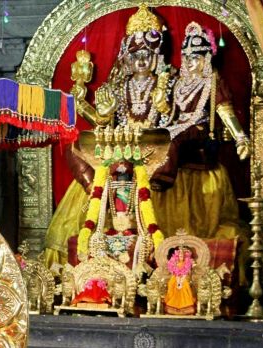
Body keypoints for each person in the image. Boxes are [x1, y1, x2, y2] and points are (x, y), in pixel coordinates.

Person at [44, 4, 172, 267]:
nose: (141, 61)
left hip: (151, 147)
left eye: (147, 55)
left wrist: (163, 105)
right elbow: (104, 122)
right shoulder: (118, 86)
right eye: (135, 55)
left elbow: (173, 122)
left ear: (156, 57)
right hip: (118, 146)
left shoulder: (166, 83)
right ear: (126, 58)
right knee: (75, 144)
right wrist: (99, 111)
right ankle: (94, 191)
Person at [150, 21, 249, 282]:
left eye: (196, 57)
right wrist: (161, 103)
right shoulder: (177, 83)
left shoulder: (213, 82)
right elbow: (169, 114)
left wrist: (240, 137)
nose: (190, 62)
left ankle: (162, 177)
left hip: (201, 131)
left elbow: (224, 110)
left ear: (206, 58)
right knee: (160, 137)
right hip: (177, 129)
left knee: (175, 139)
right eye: (186, 57)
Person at [163, 247, 196, 315]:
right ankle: (172, 306)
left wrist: (182, 280)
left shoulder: (188, 262)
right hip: (175, 277)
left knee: (185, 285)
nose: (181, 257)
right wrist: (178, 279)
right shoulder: (174, 262)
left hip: (184, 277)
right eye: (180, 255)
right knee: (171, 283)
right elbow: (173, 272)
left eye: (183, 256)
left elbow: (187, 272)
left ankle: (185, 306)